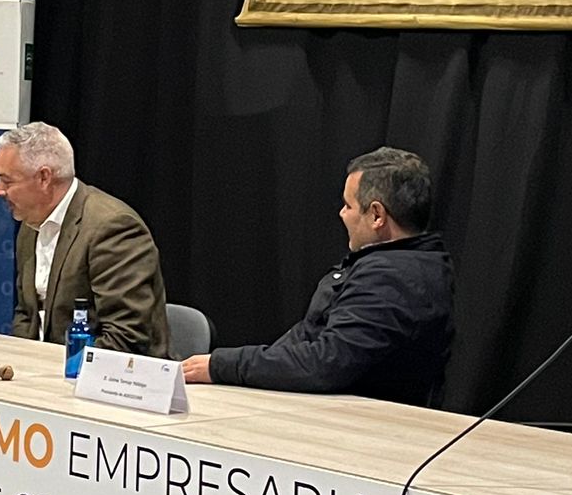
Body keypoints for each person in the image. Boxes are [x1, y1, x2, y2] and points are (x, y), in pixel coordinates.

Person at [183, 147, 452, 405]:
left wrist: (223, 366)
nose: (342, 214)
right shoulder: (407, 266)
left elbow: (326, 363)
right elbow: (307, 341)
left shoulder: (392, 278)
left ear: (376, 215)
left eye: (348, 205)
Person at [0, 121, 169, 356]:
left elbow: (126, 337)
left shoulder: (112, 227)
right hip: (48, 368)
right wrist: (23, 360)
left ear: (44, 177)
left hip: (111, 374)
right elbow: (27, 315)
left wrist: (60, 369)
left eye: (7, 181)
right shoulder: (30, 224)